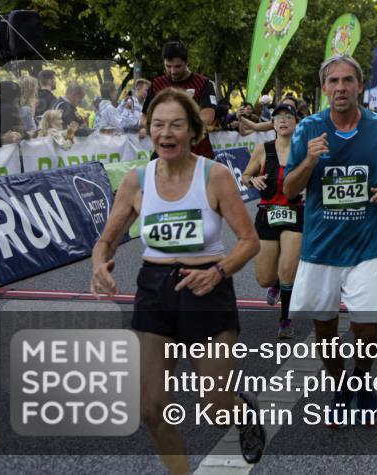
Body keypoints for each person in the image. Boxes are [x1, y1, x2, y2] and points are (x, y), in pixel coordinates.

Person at [89, 88, 266, 472]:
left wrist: (218, 272)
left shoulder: (215, 176)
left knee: (215, 408)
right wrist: (99, 264)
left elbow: (249, 242)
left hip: (208, 286)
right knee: (152, 410)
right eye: (158, 125)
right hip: (155, 290)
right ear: (148, 129)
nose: (165, 133)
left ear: (193, 132)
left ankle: (240, 411)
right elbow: (106, 241)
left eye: (175, 125)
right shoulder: (136, 181)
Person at [284, 55, 377, 417]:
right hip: (320, 247)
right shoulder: (308, 128)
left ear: (360, 86)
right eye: (334, 81)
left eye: (347, 80)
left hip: (365, 246)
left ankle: (362, 381)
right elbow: (290, 189)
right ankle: (341, 387)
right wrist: (309, 161)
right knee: (324, 329)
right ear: (324, 88)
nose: (340, 87)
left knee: (366, 328)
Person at [241, 102, 304, 339]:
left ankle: (285, 321)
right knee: (264, 278)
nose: (283, 120)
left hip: (295, 212)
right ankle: (275, 282)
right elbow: (245, 176)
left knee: (288, 270)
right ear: (273, 124)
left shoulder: (303, 149)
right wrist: (252, 181)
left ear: (296, 122)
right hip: (268, 213)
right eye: (278, 117)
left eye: (288, 116)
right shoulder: (263, 149)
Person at [143, 40, 217, 157]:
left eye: (177, 66)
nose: (173, 71)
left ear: (187, 62)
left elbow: (208, 115)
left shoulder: (203, 83)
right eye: (168, 66)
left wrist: (181, 128)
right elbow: (145, 115)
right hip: (164, 152)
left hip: (198, 151)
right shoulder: (157, 84)